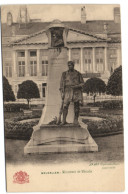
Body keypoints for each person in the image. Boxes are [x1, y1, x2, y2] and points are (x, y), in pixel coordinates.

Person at [59, 61, 84, 125]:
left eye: (71, 65)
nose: (70, 66)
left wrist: (77, 86)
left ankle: (75, 120)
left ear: (73, 65)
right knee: (65, 106)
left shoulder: (78, 74)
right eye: (69, 65)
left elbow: (82, 83)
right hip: (67, 91)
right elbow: (61, 84)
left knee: (76, 106)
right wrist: (62, 92)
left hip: (76, 91)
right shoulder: (64, 74)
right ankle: (64, 120)